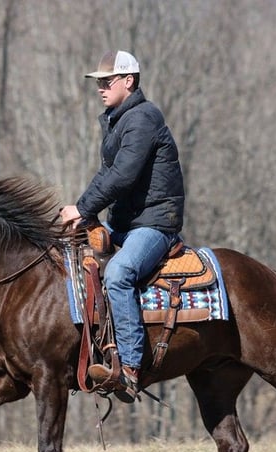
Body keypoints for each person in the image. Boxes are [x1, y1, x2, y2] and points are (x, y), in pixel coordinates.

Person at [60, 50, 185, 402]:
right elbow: (108, 175)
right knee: (71, 253)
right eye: (98, 83)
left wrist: (82, 207)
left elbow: (123, 175)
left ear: (128, 81)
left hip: (155, 224)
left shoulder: (143, 118)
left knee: (118, 274)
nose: (100, 88)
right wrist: (83, 214)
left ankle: (129, 368)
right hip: (126, 224)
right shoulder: (118, 120)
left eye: (107, 81)